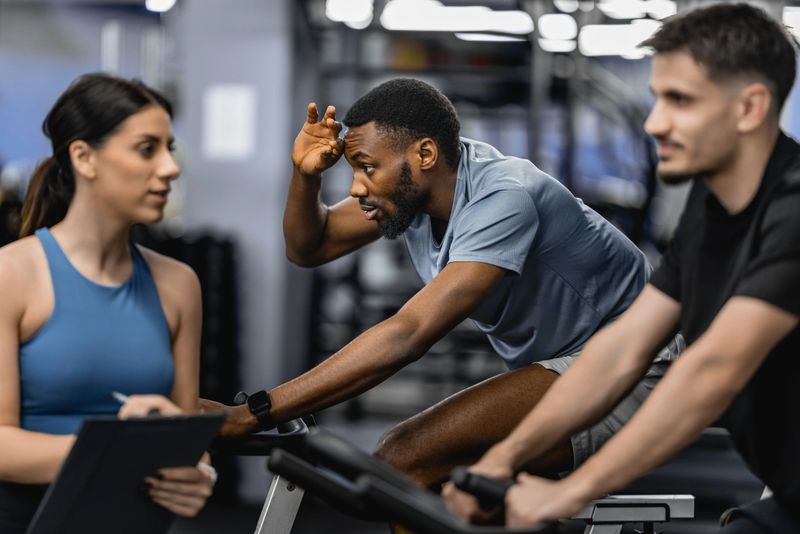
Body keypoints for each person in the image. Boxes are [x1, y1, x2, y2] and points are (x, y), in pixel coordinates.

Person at [208, 76, 681, 489]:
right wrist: (304, 175)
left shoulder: (504, 196)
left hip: (635, 362)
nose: (355, 187)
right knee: (444, 485)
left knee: (404, 458)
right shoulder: (417, 190)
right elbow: (310, 247)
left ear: (425, 154)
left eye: (367, 167)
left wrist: (256, 411)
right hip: (567, 364)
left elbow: (408, 334)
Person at [443, 3, 800, 532]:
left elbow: (714, 371)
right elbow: (621, 348)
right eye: (658, 98)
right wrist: (503, 459)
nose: (655, 123)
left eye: (680, 101)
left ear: (749, 108)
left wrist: (570, 491)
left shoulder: (794, 212)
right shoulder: (712, 210)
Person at [0, 73, 214, 532]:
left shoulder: (178, 285)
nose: (170, 168)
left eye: (170, 149)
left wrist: (198, 471)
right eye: (146, 149)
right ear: (84, 158)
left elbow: (186, 433)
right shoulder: (11, 275)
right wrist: (125, 451)